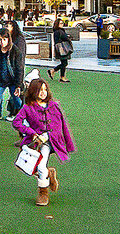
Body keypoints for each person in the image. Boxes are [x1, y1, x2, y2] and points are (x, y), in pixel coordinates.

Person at [10, 76, 74, 208]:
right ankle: (48, 172)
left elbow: (58, 127)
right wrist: (31, 133)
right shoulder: (28, 107)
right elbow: (16, 122)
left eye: (45, 89)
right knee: (26, 165)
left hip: (49, 141)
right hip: (34, 141)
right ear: (33, 91)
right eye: (40, 90)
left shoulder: (53, 106)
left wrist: (45, 136)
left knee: (40, 165)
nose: (43, 92)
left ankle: (43, 193)